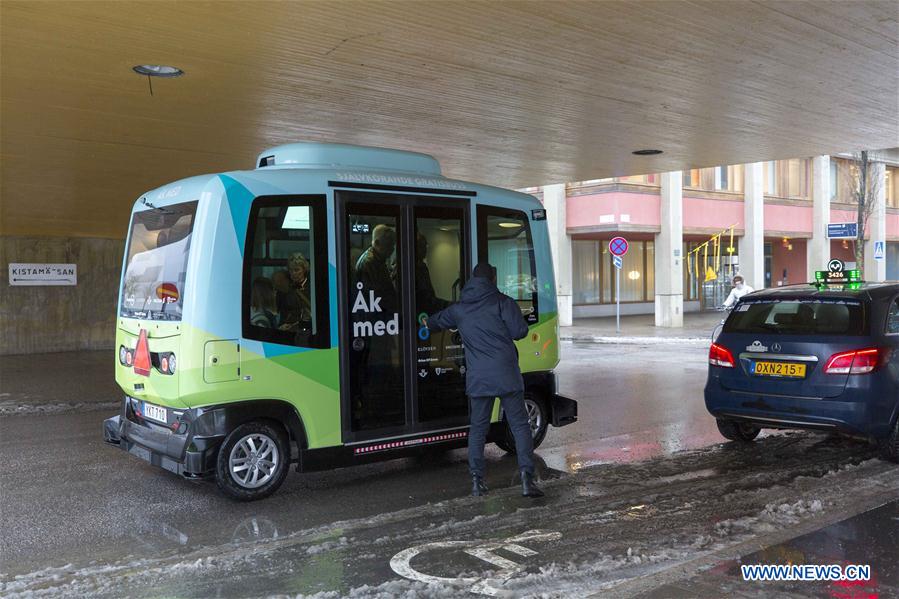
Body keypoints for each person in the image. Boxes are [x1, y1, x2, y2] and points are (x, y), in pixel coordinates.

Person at [426, 262, 544, 498]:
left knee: (478, 429)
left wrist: (424, 322)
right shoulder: (503, 302)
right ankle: (526, 480)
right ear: (492, 279)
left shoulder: (459, 309)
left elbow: (433, 323)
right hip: (507, 375)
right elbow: (520, 331)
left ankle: (477, 482)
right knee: (520, 426)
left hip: (479, 378)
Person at [355, 224, 398, 314]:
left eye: (392, 245)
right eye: (389, 245)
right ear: (377, 243)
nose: (392, 249)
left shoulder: (377, 260)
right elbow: (378, 296)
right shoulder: (369, 263)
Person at [280, 253, 312, 331]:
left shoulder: (312, 288)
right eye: (291, 270)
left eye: (297, 270)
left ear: (304, 269)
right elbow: (284, 312)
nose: (293, 273)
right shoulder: (287, 290)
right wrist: (282, 325)